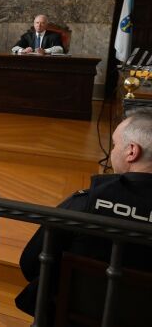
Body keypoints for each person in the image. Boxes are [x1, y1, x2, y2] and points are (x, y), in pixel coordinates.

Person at [15, 109, 152, 319]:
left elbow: (31, 264)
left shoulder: (84, 205)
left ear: (132, 152)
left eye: (114, 145)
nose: (112, 151)